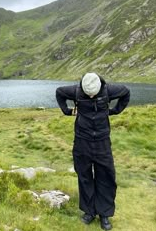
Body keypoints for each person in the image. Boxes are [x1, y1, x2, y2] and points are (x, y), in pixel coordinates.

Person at [56, 72, 130, 230]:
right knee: (84, 177)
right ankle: (89, 212)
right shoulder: (76, 91)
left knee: (106, 176)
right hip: (82, 141)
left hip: (102, 141)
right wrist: (67, 111)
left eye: (93, 94)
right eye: (87, 94)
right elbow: (59, 93)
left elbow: (126, 92)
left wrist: (115, 110)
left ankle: (104, 214)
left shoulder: (108, 90)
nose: (90, 97)